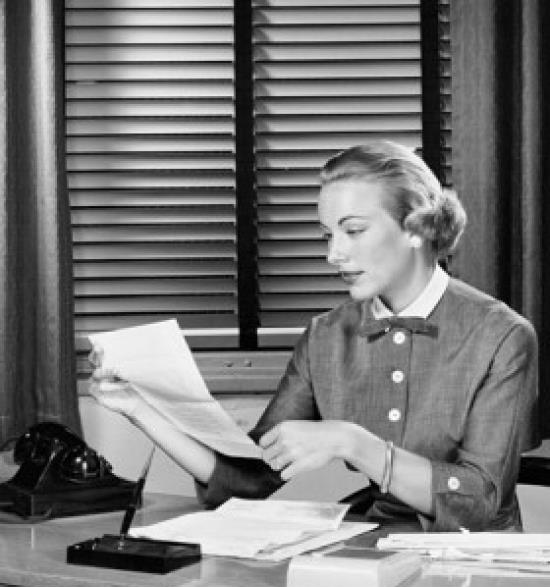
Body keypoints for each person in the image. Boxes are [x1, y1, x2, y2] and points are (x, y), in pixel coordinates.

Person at [90, 140, 538, 532]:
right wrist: (139, 409)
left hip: (478, 564)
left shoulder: (502, 336)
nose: (333, 254)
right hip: (371, 548)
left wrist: (351, 442)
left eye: (354, 230)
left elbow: (479, 502)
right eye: (327, 234)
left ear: (417, 228)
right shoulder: (326, 335)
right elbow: (249, 478)